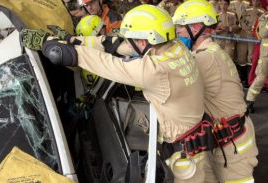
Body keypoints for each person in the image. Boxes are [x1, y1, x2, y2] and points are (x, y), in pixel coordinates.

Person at [21, 4, 213, 181]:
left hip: (184, 160)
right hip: (190, 145)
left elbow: (106, 62)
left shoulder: (153, 70)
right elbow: (113, 44)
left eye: (134, 38)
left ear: (147, 38)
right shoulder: (176, 49)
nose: (130, 43)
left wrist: (52, 45)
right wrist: (73, 40)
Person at [173, 0, 258, 182]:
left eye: (180, 26)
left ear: (196, 27)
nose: (177, 31)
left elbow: (167, 78)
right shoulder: (210, 51)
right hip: (223, 140)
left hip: (234, 145)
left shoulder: (205, 59)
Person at [246, 11, 268, 112]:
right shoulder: (264, 17)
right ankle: (250, 100)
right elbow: (262, 33)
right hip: (266, 54)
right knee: (261, 77)